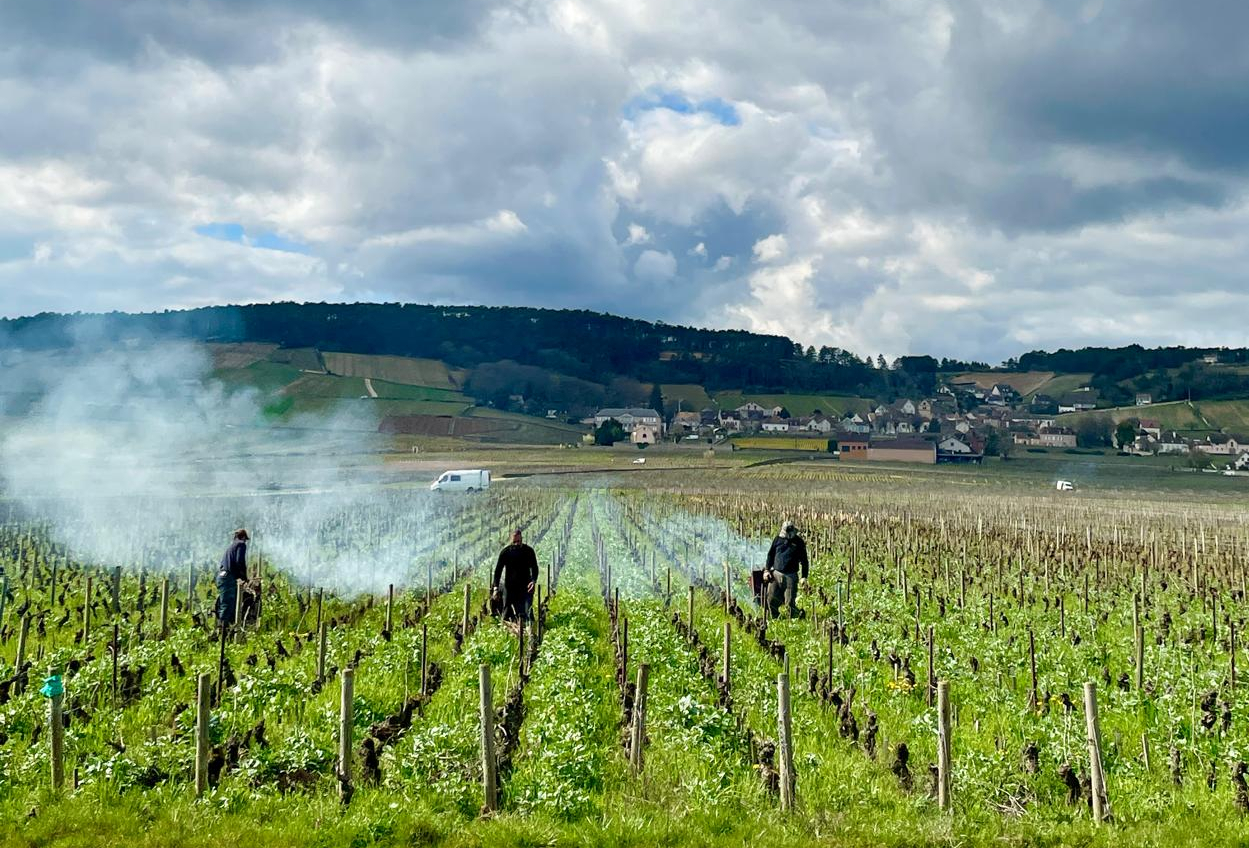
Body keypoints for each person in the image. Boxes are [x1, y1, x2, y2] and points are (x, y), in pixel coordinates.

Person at [765, 520, 808, 618]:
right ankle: (775, 619)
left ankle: (794, 621)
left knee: (789, 603)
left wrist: (804, 577)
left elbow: (804, 561)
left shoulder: (799, 542)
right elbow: (770, 555)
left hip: (790, 577)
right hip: (775, 574)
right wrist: (767, 570)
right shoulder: (777, 540)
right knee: (770, 601)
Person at [493, 529, 538, 623]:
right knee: (506, 614)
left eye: (519, 541)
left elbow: (535, 568)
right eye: (514, 542)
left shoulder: (529, 551)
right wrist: (496, 588)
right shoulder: (505, 552)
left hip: (526, 587)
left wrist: (533, 581)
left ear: (522, 539)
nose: (517, 544)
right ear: (511, 541)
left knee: (527, 614)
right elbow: (498, 571)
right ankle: (508, 633)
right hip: (510, 588)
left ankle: (530, 633)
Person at [217, 528, 249, 625]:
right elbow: (240, 561)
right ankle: (222, 629)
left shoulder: (231, 546)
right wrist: (244, 576)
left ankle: (225, 627)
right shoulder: (241, 544)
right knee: (228, 604)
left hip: (222, 576)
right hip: (228, 577)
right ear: (243, 537)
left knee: (227, 603)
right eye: (245, 539)